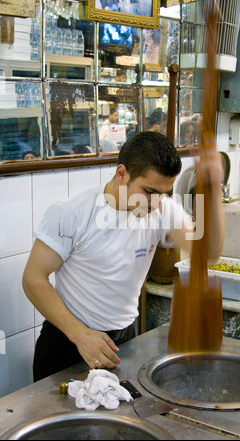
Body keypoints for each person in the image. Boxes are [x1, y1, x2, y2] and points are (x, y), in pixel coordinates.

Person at [22, 131, 225, 381]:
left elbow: (209, 254)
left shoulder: (161, 209)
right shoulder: (72, 213)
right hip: (68, 341)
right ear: (122, 174)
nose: (156, 203)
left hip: (123, 341)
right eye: (149, 191)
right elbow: (33, 279)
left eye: (165, 193)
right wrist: (80, 334)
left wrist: (214, 189)